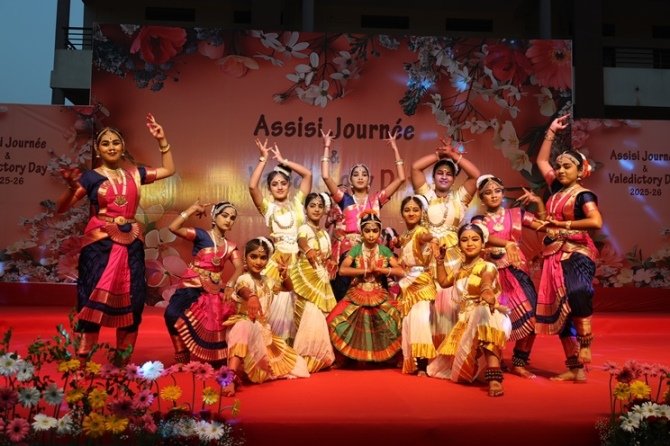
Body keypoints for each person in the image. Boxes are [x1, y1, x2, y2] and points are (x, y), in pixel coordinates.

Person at [57, 114, 176, 362]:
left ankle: (123, 358)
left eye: (115, 142)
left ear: (122, 147)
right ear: (97, 149)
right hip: (99, 243)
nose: (111, 147)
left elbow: (169, 170)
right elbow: (62, 208)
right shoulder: (90, 178)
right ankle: (83, 357)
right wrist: (70, 187)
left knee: (134, 297)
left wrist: (162, 140)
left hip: (131, 242)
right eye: (105, 143)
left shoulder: (135, 174)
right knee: (91, 295)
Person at [535, 114, 602, 383]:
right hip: (553, 255)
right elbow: (541, 161)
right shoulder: (555, 188)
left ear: (580, 171)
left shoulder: (582, 195)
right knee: (560, 311)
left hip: (577, 251)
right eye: (559, 166)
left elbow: (596, 222)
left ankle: (585, 342)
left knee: (577, 292)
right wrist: (551, 131)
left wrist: (563, 225)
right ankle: (575, 368)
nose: (561, 170)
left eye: (567, 167)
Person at [426, 222, 511, 397]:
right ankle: (480, 366)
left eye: (475, 239)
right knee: (458, 375)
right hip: (464, 324)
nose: (470, 243)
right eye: (464, 240)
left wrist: (486, 290)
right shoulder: (459, 269)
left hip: (489, 317)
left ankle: (495, 379)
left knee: (483, 313)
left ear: (483, 243)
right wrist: (440, 260)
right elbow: (443, 282)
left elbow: (487, 280)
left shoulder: (487, 266)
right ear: (459, 245)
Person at [320, 129, 406, 300]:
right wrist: (327, 146)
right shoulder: (344, 199)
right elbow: (326, 176)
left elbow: (401, 179)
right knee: (345, 299)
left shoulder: (376, 199)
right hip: (348, 255)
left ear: (368, 180)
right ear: (350, 181)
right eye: (356, 174)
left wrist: (395, 148)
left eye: (364, 174)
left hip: (372, 253)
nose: (360, 177)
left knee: (375, 299)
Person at [474, 175, 545, 378]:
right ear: (481, 197)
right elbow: (483, 237)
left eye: (497, 191)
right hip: (492, 274)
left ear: (503, 193)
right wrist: (507, 243)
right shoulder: (478, 221)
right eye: (488, 193)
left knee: (532, 317)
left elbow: (542, 225)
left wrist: (539, 202)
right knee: (494, 318)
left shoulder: (516, 214)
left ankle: (519, 362)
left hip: (517, 270)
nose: (493, 195)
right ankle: (493, 361)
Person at [410, 138, 480, 345]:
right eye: (439, 172)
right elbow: (415, 168)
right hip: (426, 252)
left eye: (448, 174)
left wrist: (453, 155)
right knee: (426, 301)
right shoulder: (425, 195)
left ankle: (450, 345)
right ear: (433, 176)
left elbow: (475, 175)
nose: (444, 176)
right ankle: (426, 346)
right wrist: (440, 155)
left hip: (453, 256)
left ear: (454, 179)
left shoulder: (460, 198)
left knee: (451, 300)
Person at [222, 238, 310, 396]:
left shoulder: (267, 281)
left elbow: (288, 288)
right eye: (253, 256)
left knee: (300, 367)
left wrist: (285, 275)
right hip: (244, 329)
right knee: (244, 325)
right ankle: (229, 378)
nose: (258, 261)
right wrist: (252, 297)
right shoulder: (244, 279)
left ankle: (249, 367)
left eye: (263, 258)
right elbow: (243, 290)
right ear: (245, 258)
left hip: (264, 334)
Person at [163, 200, 244, 364]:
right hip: (191, 284)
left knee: (216, 323)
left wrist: (230, 284)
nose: (228, 220)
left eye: (232, 218)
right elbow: (173, 228)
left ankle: (216, 358)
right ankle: (181, 353)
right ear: (214, 217)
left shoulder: (230, 246)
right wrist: (192, 209)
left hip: (214, 288)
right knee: (171, 314)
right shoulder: (201, 235)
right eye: (225, 215)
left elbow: (239, 267)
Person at [249, 138, 312, 342]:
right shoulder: (268, 208)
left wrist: (284, 161)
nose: (279, 187)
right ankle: (273, 348)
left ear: (289, 186)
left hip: (299, 260)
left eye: (283, 183)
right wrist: (263, 159)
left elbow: (307, 175)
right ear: (269, 188)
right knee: (276, 307)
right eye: (274, 184)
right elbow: (252, 187)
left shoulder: (298, 203)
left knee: (299, 307)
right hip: (277, 262)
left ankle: (294, 350)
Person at [327, 211, 404, 365]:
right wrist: (364, 271)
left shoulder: (384, 250)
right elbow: (342, 270)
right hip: (357, 291)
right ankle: (348, 357)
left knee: (398, 319)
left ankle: (388, 357)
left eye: (375, 231)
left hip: (379, 292)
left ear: (379, 232)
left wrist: (381, 270)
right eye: (367, 231)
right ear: (361, 232)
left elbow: (400, 271)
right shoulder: (356, 249)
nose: (371, 235)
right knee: (332, 319)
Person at [289, 192, 337, 372]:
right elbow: (301, 240)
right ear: (306, 209)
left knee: (322, 315)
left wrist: (331, 262)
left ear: (324, 210)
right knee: (309, 312)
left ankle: (321, 357)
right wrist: (307, 249)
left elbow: (327, 256)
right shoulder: (304, 228)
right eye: (312, 206)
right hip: (306, 276)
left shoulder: (324, 233)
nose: (316, 209)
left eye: (320, 206)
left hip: (321, 277)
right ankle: (306, 356)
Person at [396, 195, 438, 375]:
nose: (411, 213)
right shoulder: (405, 235)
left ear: (422, 213)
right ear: (402, 214)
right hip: (407, 282)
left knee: (420, 321)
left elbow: (426, 236)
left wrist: (433, 237)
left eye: (415, 210)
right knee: (408, 322)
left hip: (421, 282)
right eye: (407, 210)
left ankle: (422, 364)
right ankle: (411, 361)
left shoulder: (420, 231)